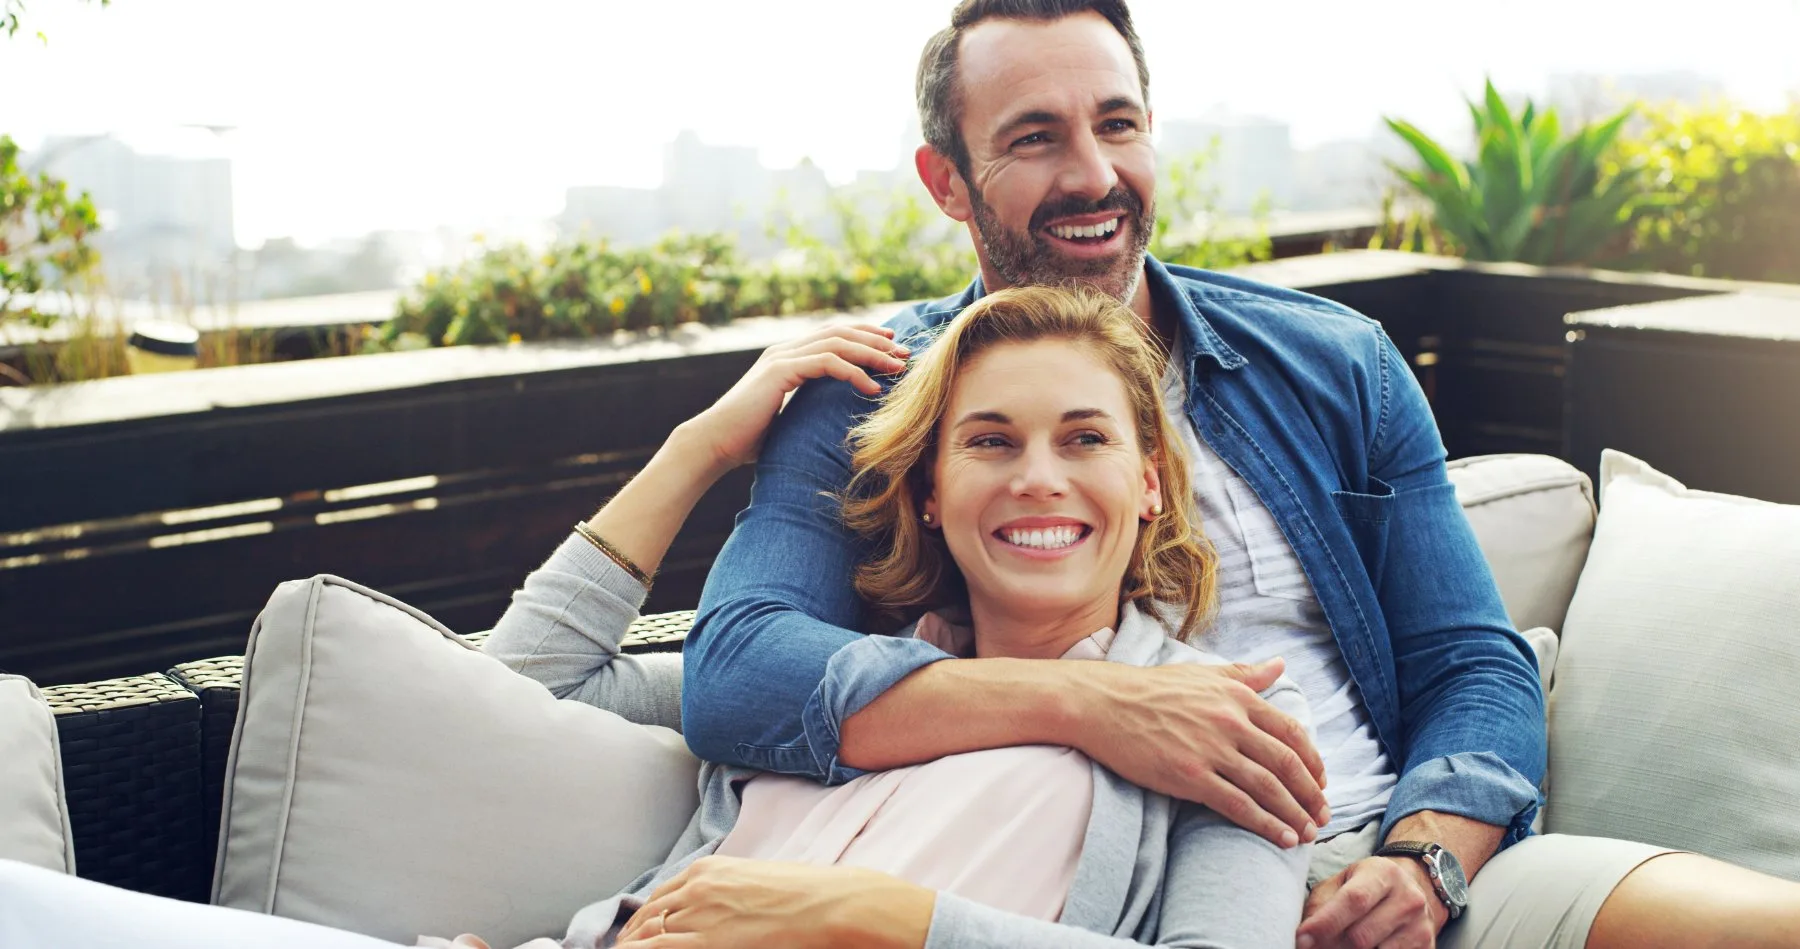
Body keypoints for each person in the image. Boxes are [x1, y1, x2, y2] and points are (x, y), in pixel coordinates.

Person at [677, 3, 1800, 949]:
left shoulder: (1335, 361)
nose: (1093, 174)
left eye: (1118, 125)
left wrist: (1426, 860)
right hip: (1111, 892)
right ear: (947, 180)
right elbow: (736, 671)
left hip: (1396, 866)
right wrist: (1099, 705)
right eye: (1033, 139)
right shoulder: (877, 394)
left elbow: (1471, 660)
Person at [0, 292, 1316, 949]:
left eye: (1083, 438)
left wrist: (869, 918)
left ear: (1149, 485)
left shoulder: (1216, 731)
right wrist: (698, 443)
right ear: (932, 485)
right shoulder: (835, 689)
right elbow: (496, 699)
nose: (1036, 475)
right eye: (990, 440)